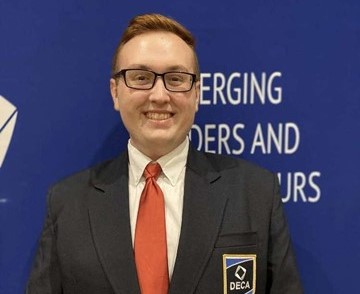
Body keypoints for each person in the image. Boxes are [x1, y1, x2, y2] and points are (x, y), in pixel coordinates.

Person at [26, 13, 303, 294]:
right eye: (141, 77)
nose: (159, 95)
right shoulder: (67, 202)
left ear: (196, 93)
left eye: (176, 78)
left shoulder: (255, 192)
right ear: (115, 92)